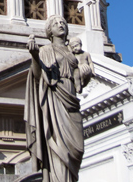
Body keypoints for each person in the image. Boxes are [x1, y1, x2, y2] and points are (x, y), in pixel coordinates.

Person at [24, 15, 84, 182]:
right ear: (49, 30)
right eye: (56, 23)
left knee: (77, 150)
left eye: (62, 22)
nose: (60, 25)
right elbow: (38, 77)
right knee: (59, 152)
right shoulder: (45, 51)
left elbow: (83, 74)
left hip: (72, 102)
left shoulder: (74, 51)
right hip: (55, 101)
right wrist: (35, 56)